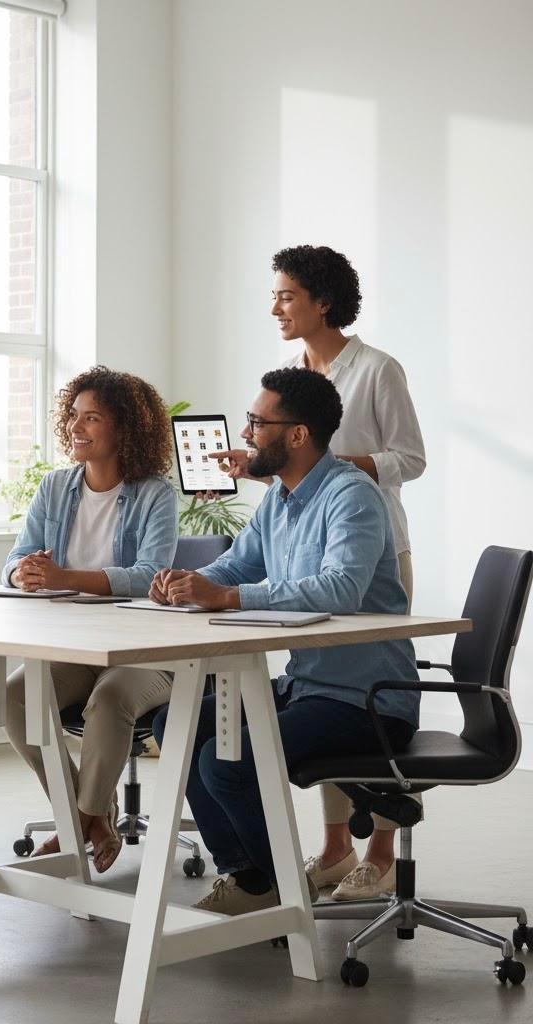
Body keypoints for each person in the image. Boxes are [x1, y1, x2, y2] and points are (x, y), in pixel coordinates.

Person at [151, 367, 419, 915]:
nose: (245, 433)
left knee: (226, 761)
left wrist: (228, 598)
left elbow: (341, 588)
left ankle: (281, 888)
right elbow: (236, 565)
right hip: (306, 687)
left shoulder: (352, 496)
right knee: (174, 724)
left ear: (297, 435)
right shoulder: (279, 498)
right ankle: (253, 878)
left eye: (256, 422)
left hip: (366, 700)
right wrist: (186, 583)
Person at [211, 245, 426, 901]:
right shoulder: (290, 379)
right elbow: (293, 464)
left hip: (370, 546)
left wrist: (335, 467)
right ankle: (334, 847)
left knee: (355, 680)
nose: (275, 306)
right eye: (274, 295)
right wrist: (260, 466)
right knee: (319, 684)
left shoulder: (377, 369)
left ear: (322, 301)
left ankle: (381, 855)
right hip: (306, 538)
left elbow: (410, 458)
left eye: (286, 295)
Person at [1, 366, 178, 873]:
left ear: (125, 427)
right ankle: (91, 813)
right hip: (76, 647)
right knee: (14, 697)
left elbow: (148, 575)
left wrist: (64, 577)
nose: (76, 427)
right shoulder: (55, 488)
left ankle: (78, 820)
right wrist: (21, 573)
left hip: (145, 650)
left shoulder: (155, 494)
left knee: (111, 697)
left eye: (92, 418)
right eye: (74, 416)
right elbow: (13, 558)